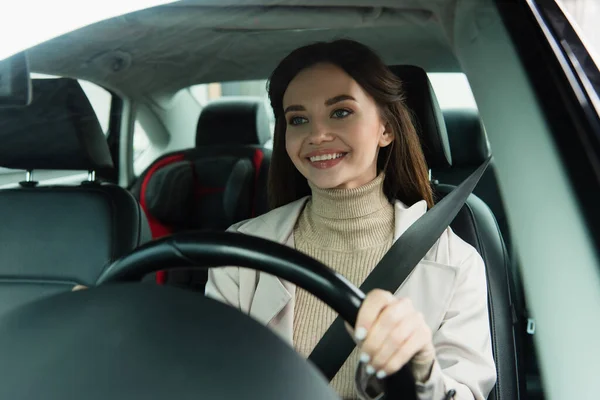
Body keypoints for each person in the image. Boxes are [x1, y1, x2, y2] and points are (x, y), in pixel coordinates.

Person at [205, 39, 496, 400]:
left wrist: (422, 370)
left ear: (386, 129)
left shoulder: (456, 261)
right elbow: (216, 382)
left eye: (341, 112)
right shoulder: (240, 252)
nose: (317, 135)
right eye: (298, 119)